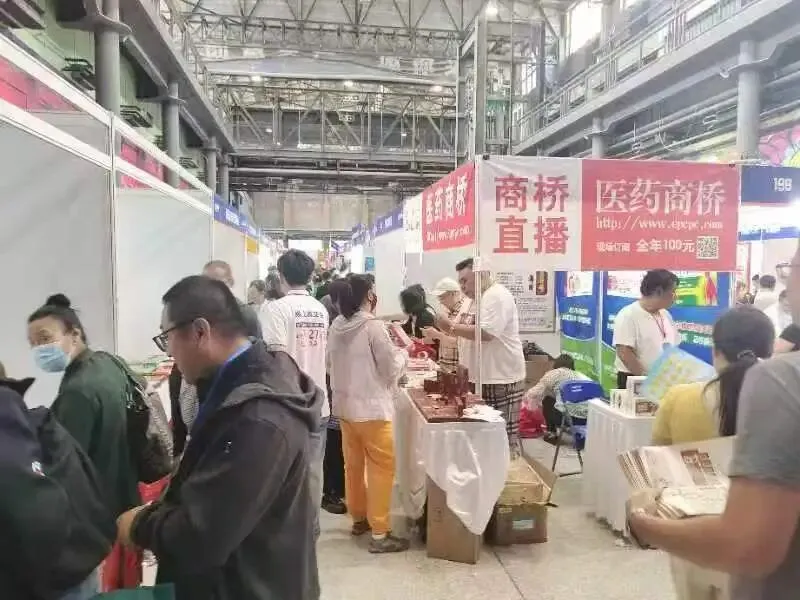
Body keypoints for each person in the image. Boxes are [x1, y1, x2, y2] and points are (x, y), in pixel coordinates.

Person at [117, 275, 322, 600]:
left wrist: (140, 526)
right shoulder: (234, 386)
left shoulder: (258, 419)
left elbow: (203, 534)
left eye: (167, 337)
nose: (169, 351)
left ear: (200, 331)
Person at [627, 241, 800, 600]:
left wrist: (643, 524)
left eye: (790, 270)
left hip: (723, 555)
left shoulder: (780, 382)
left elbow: (746, 545)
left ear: (715, 348)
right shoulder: (771, 381)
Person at [650, 306, 773, 600]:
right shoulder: (784, 402)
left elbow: (659, 466)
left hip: (694, 535)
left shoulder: (679, 398)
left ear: (715, 350)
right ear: (769, 351)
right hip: (763, 537)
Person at [27, 294, 141, 596]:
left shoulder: (77, 393)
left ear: (74, 334)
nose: (38, 350)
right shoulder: (108, 363)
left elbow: (62, 467)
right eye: (33, 344)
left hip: (95, 516)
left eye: (44, 339)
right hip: (126, 499)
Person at [327, 274, 409, 553]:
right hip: (373, 410)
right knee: (381, 470)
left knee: (352, 467)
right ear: (368, 296)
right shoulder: (373, 327)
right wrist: (404, 355)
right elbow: (389, 367)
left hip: (345, 409)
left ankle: (359, 519)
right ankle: (380, 533)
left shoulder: (337, 325)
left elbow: (329, 365)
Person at [260, 249, 330, 538]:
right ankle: (310, 530)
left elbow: (276, 357)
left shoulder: (275, 310)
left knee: (281, 473)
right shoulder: (320, 309)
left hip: (288, 403)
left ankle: (289, 534)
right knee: (313, 470)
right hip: (318, 402)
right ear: (310, 275)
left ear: (281, 275)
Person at [431, 258, 526, 446]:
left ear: (480, 275)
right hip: (475, 377)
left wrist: (450, 327)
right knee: (479, 437)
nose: (462, 287)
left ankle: (506, 463)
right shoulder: (470, 300)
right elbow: (460, 330)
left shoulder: (496, 295)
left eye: (465, 281)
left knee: (499, 439)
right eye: (460, 282)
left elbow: (486, 333)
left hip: (498, 378)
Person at [613, 269, 679, 389]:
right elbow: (624, 353)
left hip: (661, 381)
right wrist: (646, 379)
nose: (675, 296)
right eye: (673, 291)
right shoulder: (628, 315)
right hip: (635, 381)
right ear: (659, 291)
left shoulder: (665, 315)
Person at [320, 279, 348, 515]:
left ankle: (338, 488)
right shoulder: (334, 321)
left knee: (338, 442)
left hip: (338, 391)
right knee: (333, 442)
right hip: (332, 390)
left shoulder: (339, 319)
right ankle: (331, 491)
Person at [522, 354, 590, 442]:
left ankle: (552, 434)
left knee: (547, 400)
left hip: (565, 418)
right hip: (586, 419)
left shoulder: (553, 374)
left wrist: (522, 400)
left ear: (556, 363)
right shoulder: (579, 376)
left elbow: (534, 393)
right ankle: (575, 431)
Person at [202, 260, 263, 339]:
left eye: (217, 284)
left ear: (230, 282)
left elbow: (257, 345)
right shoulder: (198, 312)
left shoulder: (245, 314)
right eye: (205, 284)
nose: (210, 289)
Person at [426, 277, 465, 372]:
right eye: (439, 298)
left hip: (457, 369)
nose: (440, 301)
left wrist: (438, 335)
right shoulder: (448, 312)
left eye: (442, 297)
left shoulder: (464, 312)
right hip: (446, 367)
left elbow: (462, 343)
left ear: (454, 294)